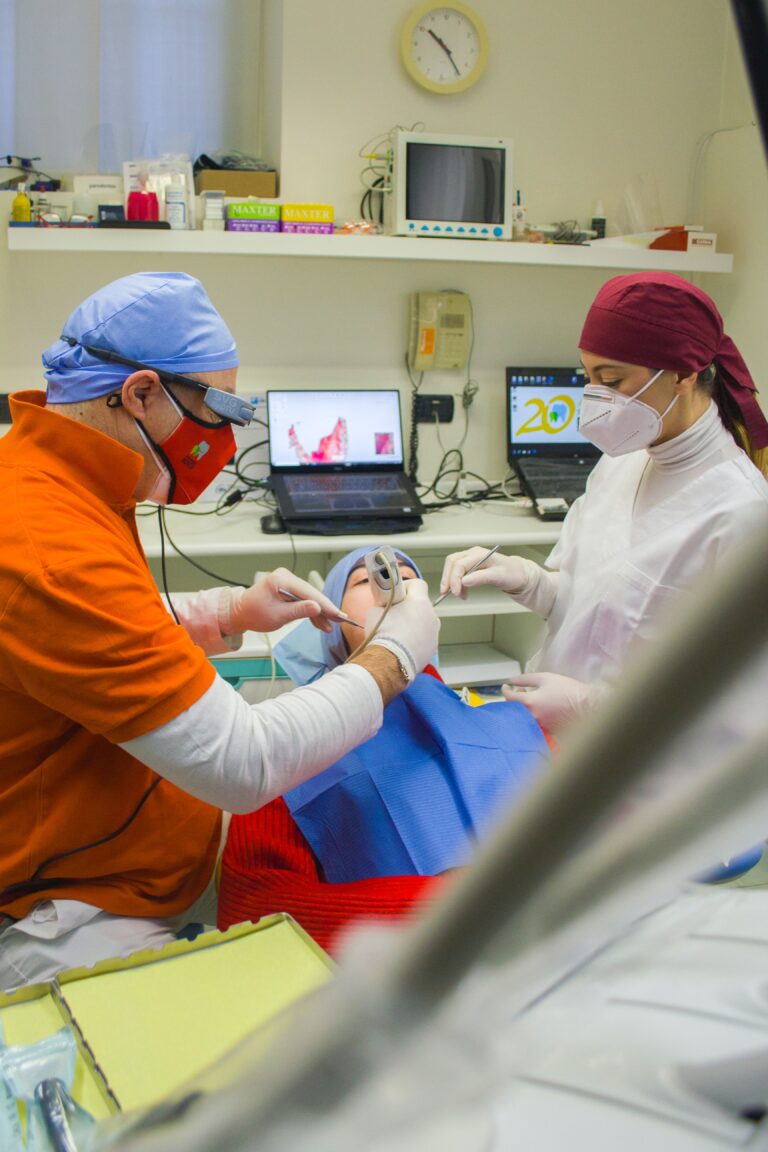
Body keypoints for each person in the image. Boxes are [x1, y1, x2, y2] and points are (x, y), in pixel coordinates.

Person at [0, 272, 439, 990]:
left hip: (139, 847)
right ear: (139, 392)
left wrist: (228, 614)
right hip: (71, 905)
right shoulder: (49, 543)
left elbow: (84, 641)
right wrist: (393, 657)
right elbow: (244, 765)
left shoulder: (53, 473)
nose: (226, 445)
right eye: (217, 413)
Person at [442, 271, 768, 734]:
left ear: (683, 374)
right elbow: (590, 606)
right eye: (588, 376)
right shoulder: (624, 461)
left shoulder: (742, 514)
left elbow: (738, 707)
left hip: (644, 774)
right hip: (554, 745)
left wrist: (592, 706)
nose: (595, 399)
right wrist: (527, 579)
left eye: (611, 380)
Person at [218, 546, 550, 953]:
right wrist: (444, 904)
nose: (394, 585)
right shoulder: (290, 755)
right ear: (331, 626)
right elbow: (252, 911)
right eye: (363, 580)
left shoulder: (515, 723)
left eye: (409, 577)